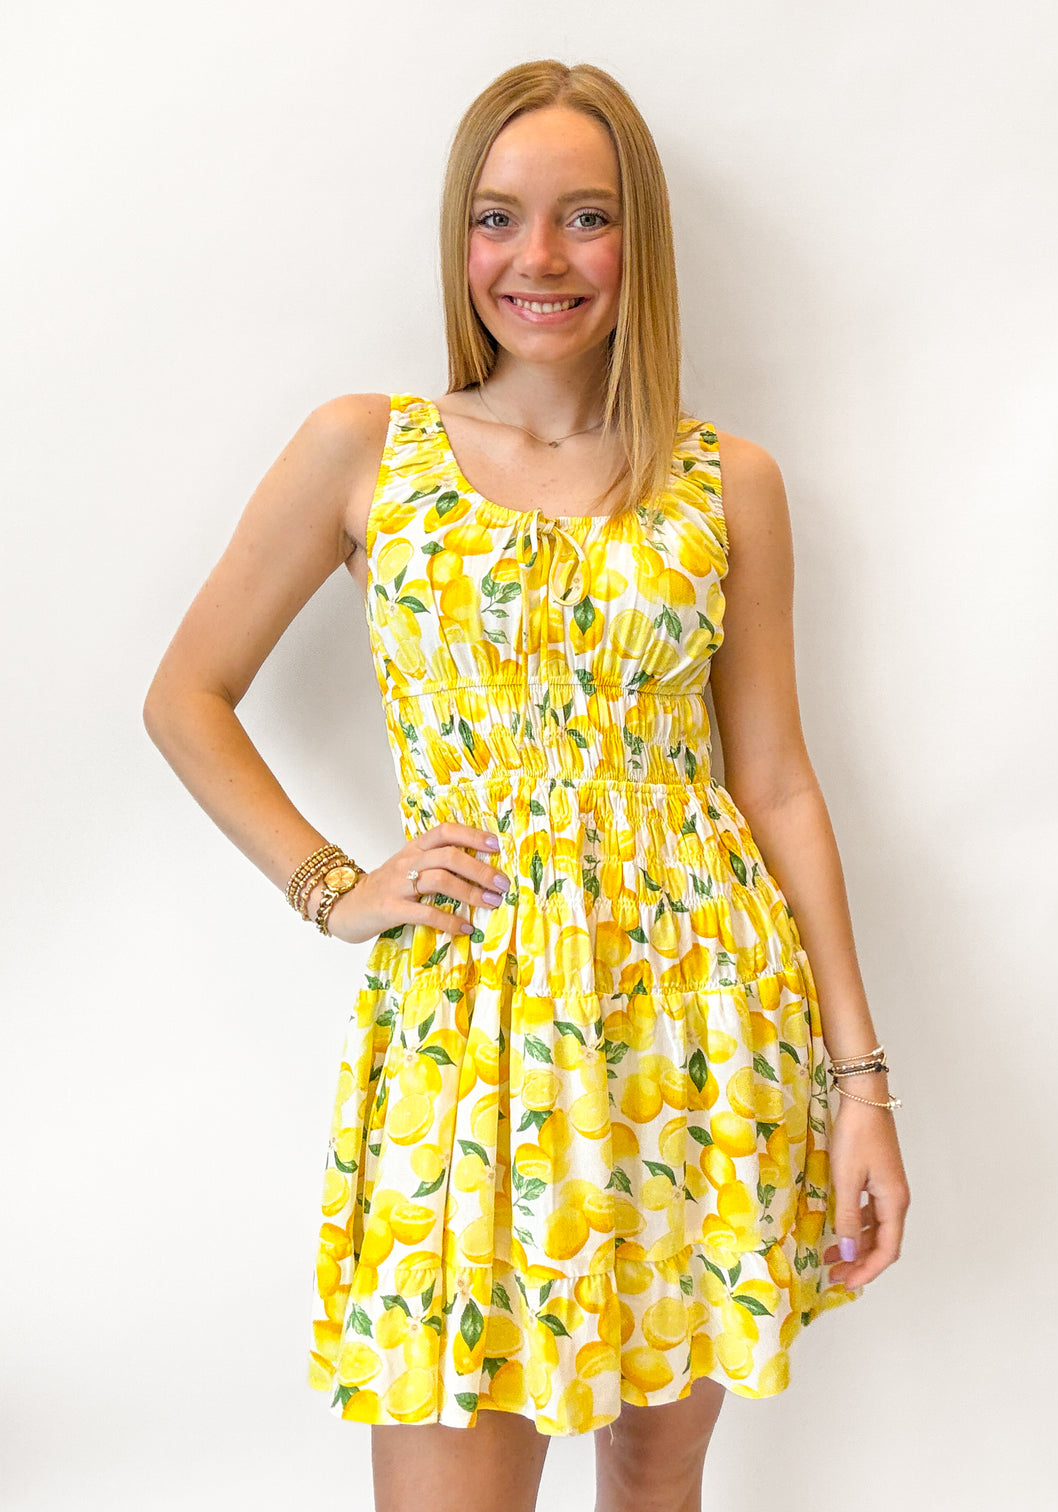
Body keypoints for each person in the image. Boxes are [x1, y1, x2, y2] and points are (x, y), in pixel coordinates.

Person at [144, 57, 910, 1512]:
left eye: (585, 218)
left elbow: (778, 784)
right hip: (478, 1035)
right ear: (461, 238)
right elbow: (186, 697)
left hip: (703, 1028)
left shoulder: (725, 481)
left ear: (641, 245)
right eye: (499, 219)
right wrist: (334, 887)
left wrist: (860, 1086)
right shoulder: (370, 452)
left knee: (653, 1464)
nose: (538, 260)